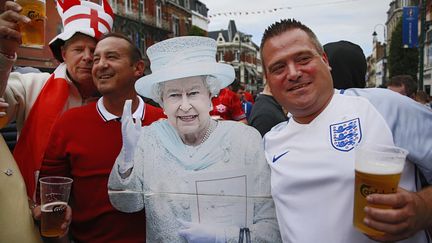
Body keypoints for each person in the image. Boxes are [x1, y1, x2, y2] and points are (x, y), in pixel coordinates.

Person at [260, 18, 432, 243]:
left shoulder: (384, 107)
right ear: (268, 81)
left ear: (325, 60)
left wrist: (422, 209)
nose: (293, 73)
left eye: (303, 59)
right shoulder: (269, 141)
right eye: (278, 67)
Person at [108, 36, 281, 242]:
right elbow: (127, 205)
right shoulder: (148, 139)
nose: (185, 105)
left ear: (210, 95)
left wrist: (223, 237)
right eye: (173, 95)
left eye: (193, 93)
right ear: (161, 101)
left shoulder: (245, 140)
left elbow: (271, 227)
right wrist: (128, 159)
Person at [39, 33, 165, 243]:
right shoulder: (68, 123)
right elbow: (51, 188)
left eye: (112, 57)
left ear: (138, 68)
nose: (100, 65)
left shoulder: (164, 121)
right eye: (97, 59)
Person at [0, 0, 114, 201]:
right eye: (78, 50)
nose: (88, 57)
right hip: (32, 208)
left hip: (94, 212)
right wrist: (4, 53)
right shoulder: (32, 85)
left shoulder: (117, 101)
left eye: (94, 51)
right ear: (63, 54)